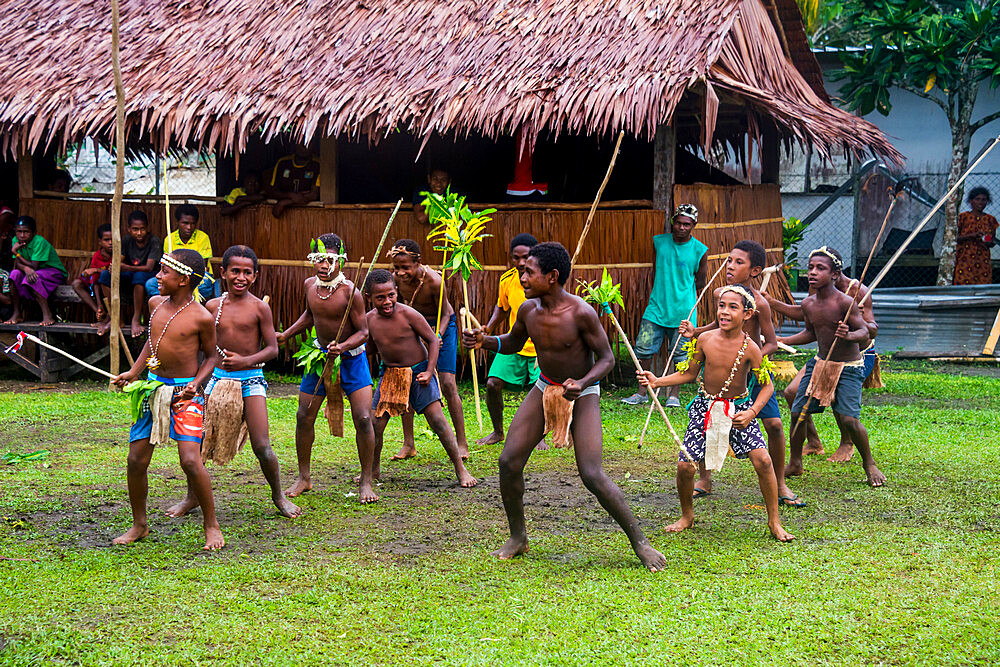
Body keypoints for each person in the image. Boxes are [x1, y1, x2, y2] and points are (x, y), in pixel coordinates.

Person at [463, 242, 667, 571]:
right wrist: (485, 340)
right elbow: (514, 342)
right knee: (508, 461)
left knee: (591, 473)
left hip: (583, 393)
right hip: (545, 386)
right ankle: (518, 537)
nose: (522, 276)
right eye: (521, 270)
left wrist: (582, 383)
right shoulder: (528, 310)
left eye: (528, 272)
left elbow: (607, 359)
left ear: (552, 276)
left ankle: (640, 543)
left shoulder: (581, 313)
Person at [637, 285, 795, 542]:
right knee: (685, 466)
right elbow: (689, 374)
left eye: (733, 307)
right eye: (722, 306)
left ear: (747, 314)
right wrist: (657, 381)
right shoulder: (705, 340)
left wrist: (753, 412)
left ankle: (774, 521)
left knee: (763, 461)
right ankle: (687, 516)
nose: (725, 311)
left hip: (740, 410)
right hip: (705, 408)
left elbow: (767, 386)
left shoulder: (752, 348)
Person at [164, 245, 301, 519]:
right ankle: (192, 497)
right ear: (222, 272)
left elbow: (273, 349)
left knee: (262, 445)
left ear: (255, 276)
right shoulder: (213, 307)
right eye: (235, 271)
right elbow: (205, 347)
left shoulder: (260, 308)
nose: (241, 277)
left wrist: (245, 361)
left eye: (247, 272)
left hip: (251, 380)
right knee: (198, 442)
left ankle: (279, 495)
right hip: (216, 380)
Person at [110, 249, 223, 550]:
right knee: (136, 460)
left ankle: (211, 525)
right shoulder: (155, 304)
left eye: (163, 272)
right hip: (153, 389)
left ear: (184, 279)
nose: (157, 277)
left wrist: (196, 386)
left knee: (189, 459)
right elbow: (152, 342)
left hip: (185, 394)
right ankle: (139, 524)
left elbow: (212, 357)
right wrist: (134, 372)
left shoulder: (201, 316)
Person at [678, 240, 802, 507]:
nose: (730, 266)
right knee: (709, 418)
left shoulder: (760, 303)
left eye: (738, 262)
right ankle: (705, 478)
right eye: (729, 260)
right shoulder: (720, 293)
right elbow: (717, 325)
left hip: (752, 370)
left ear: (755, 271)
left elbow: (770, 341)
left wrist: (750, 359)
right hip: (728, 374)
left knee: (775, 425)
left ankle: (780, 483)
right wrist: (695, 332)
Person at [275, 234, 377, 503]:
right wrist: (287, 334)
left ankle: (366, 481)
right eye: (319, 259)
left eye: (330, 259)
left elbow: (364, 332)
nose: (324, 264)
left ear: (340, 260)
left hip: (352, 359)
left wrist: (343, 347)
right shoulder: (310, 285)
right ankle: (304, 477)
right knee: (303, 415)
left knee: (364, 418)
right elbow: (311, 315)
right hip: (320, 357)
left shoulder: (350, 292)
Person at [779, 247, 886, 487]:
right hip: (820, 364)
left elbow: (865, 331)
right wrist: (783, 341)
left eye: (821, 268)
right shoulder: (809, 303)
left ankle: (869, 463)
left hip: (848, 366)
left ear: (835, 274)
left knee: (848, 419)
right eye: (811, 268)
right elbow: (810, 332)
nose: (813, 273)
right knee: (798, 413)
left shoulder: (846, 302)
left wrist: (849, 335)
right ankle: (795, 463)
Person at [365, 269, 478, 491]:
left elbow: (433, 341)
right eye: (380, 297)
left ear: (396, 292)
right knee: (375, 425)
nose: (387, 301)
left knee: (437, 420)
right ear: (369, 297)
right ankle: (372, 470)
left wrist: (429, 370)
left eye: (391, 295)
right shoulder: (368, 320)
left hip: (418, 373)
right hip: (390, 375)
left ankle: (460, 469)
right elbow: (368, 348)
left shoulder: (409, 314)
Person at [387, 239, 469, 460]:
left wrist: (437, 336)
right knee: (407, 378)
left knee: (448, 383)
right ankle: (408, 443)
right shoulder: (395, 280)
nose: (400, 273)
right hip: (415, 325)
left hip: (442, 325)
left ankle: (461, 443)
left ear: (418, 262)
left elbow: (446, 313)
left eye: (406, 268)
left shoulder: (433, 281)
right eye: (396, 268)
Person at [622, 204, 708, 407]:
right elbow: (655, 269)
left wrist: (683, 296)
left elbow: (701, 282)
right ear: (672, 222)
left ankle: (673, 395)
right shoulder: (659, 242)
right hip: (656, 308)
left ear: (693, 225)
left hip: (683, 310)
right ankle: (642, 391)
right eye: (678, 223)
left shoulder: (700, 250)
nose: (681, 227)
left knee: (679, 355)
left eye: (686, 224)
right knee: (643, 350)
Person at [478, 233, 545, 448]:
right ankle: (498, 432)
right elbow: (502, 307)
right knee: (492, 384)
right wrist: (490, 327)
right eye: (516, 258)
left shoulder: (544, 279)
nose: (520, 263)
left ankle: (540, 435)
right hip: (514, 343)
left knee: (544, 390)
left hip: (541, 346)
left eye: (525, 257)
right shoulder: (507, 279)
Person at [97, 210, 161, 337]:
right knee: (104, 276)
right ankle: (115, 317)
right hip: (131, 273)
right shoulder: (126, 240)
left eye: (142, 229)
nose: (139, 233)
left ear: (147, 228)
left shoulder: (154, 241)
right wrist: (114, 267)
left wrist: (126, 267)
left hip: (148, 275)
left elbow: (149, 267)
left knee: (139, 276)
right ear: (129, 229)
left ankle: (136, 318)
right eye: (135, 229)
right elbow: (119, 260)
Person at [4, 216, 67, 326]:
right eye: (19, 232)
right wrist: (25, 268)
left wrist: (16, 253)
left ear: (34, 233)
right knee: (14, 274)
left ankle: (47, 314)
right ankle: (17, 313)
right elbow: (18, 264)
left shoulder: (39, 242)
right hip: (32, 271)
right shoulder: (16, 240)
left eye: (26, 232)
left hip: (53, 272)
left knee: (33, 277)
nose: (22, 235)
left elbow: (34, 266)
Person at [144, 204, 215, 301]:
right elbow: (168, 265)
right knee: (150, 284)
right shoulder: (169, 239)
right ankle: (172, 304)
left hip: (198, 275)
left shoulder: (203, 238)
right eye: (185, 223)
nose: (189, 227)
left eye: (192, 223)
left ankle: (184, 304)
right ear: (177, 222)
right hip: (175, 275)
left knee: (204, 285)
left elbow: (202, 267)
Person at [71, 223, 113, 325]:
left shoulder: (120, 254)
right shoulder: (97, 256)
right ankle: (99, 311)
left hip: (113, 286)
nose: (111, 243)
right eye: (106, 240)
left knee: (104, 277)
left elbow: (115, 274)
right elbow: (95, 282)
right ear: (100, 242)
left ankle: (110, 316)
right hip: (98, 286)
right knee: (76, 283)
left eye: (113, 239)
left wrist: (96, 270)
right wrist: (99, 304)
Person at [954, 187, 997, 285]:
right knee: (963, 284)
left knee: (983, 286)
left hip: (983, 259)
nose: (981, 202)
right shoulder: (963, 217)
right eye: (977, 199)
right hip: (965, 258)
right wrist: (971, 236)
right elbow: (954, 238)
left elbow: (992, 242)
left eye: (984, 200)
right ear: (971, 201)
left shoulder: (990, 220)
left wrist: (988, 241)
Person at [265, 145, 320, 218]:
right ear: (295, 144)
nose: (304, 146)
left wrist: (285, 202)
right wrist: (290, 195)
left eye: (308, 142)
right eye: (301, 142)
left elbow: (313, 195)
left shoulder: (318, 164)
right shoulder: (283, 163)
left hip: (310, 216)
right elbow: (272, 192)